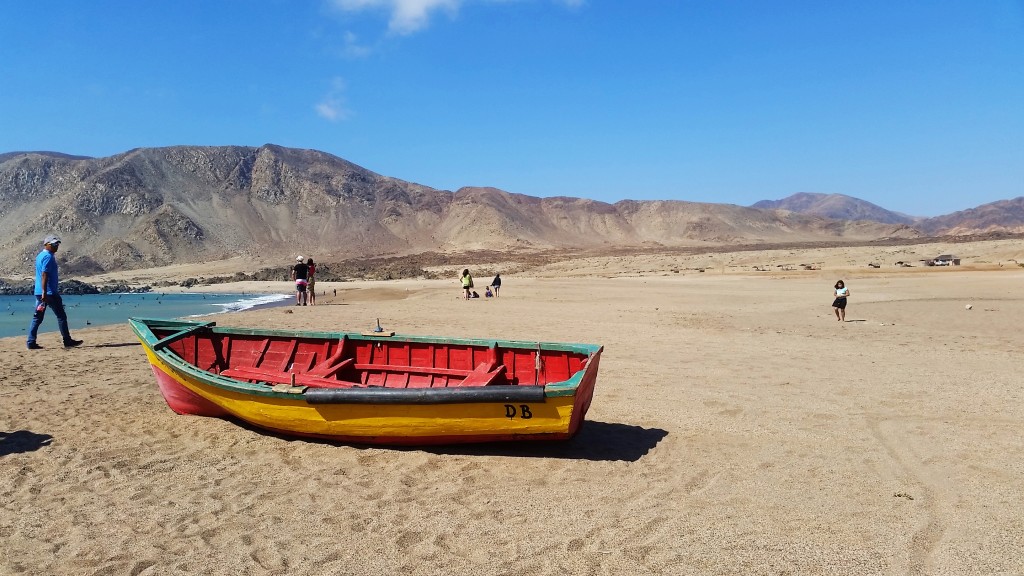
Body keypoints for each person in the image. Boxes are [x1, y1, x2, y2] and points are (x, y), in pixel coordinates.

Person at [26, 234, 83, 349]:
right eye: (54, 244)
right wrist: (44, 292)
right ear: (46, 245)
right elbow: (44, 274)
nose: (56, 246)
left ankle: (31, 342)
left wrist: (41, 292)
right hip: (49, 293)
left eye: (57, 244)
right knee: (61, 316)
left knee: (37, 317)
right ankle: (67, 340)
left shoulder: (40, 256)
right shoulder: (48, 257)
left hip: (40, 292)